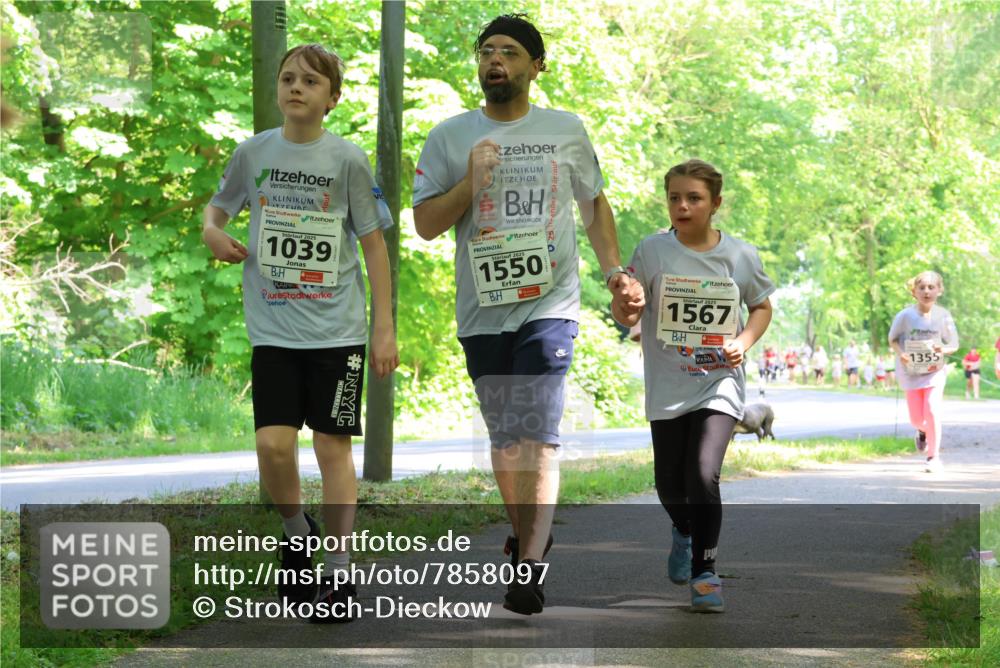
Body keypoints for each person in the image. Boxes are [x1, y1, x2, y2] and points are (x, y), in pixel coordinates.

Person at [412, 14, 633, 616]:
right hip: (482, 311)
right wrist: (470, 181)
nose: (495, 61)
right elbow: (427, 225)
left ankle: (531, 563)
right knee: (507, 442)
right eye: (486, 51)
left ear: (537, 65)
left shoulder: (565, 129)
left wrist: (614, 272)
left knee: (538, 433)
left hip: (550, 305)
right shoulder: (450, 136)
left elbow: (593, 207)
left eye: (509, 51)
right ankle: (528, 535)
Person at [203, 44, 398, 622]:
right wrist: (213, 232)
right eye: (287, 78)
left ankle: (338, 571)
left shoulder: (347, 161)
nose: (296, 88)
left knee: (331, 447)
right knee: (272, 446)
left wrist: (382, 327)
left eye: (310, 82)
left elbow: (374, 247)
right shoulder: (253, 152)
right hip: (274, 329)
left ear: (331, 98)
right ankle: (297, 531)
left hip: (336, 330)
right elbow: (218, 210)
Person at [611, 159, 774, 613]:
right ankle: (683, 530)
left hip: (718, 383)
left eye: (694, 198)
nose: (682, 206)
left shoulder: (740, 256)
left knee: (703, 475)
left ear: (715, 204)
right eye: (675, 197)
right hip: (666, 383)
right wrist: (625, 307)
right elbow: (626, 308)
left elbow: (761, 307)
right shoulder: (652, 250)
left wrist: (743, 340)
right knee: (668, 484)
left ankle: (706, 574)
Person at [888, 271, 959, 472]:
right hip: (910, 372)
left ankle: (933, 457)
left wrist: (941, 350)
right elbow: (892, 339)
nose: (926, 291)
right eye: (922, 287)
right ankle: (921, 430)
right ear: (914, 292)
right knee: (916, 419)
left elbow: (953, 344)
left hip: (933, 371)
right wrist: (901, 353)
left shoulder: (943, 316)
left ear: (939, 291)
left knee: (933, 410)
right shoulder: (904, 316)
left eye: (931, 287)